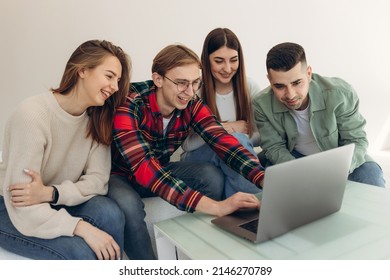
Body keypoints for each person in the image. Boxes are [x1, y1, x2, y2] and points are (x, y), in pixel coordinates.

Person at [108, 44, 265, 260]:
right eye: (182, 83)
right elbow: (145, 168)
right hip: (122, 175)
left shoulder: (191, 103)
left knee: (210, 176)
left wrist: (264, 180)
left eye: (195, 83)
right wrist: (216, 207)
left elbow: (222, 140)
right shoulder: (130, 103)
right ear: (158, 79)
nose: (190, 92)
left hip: (159, 167)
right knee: (129, 207)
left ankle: (203, 252)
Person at [0, 40, 131, 260]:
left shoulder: (97, 119)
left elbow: (98, 181)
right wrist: (80, 227)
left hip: (49, 198)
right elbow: (22, 202)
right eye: (109, 76)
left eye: (118, 80)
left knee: (110, 213)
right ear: (82, 70)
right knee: (80, 251)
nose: (115, 87)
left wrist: (52, 193)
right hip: (10, 207)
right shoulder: (33, 115)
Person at [252, 42, 385, 187]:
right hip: (293, 157)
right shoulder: (261, 104)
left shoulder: (340, 94)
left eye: (297, 83)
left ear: (308, 74)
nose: (290, 94)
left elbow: (357, 140)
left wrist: (338, 170)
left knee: (372, 177)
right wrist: (301, 173)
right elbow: (274, 148)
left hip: (338, 158)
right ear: (269, 81)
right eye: (279, 86)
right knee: (273, 184)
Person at [180, 27, 262, 198]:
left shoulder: (249, 87)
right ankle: (257, 205)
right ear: (206, 60)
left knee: (236, 144)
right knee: (235, 140)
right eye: (219, 61)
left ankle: (235, 211)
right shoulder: (195, 90)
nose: (227, 68)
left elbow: (258, 136)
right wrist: (225, 129)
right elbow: (187, 144)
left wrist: (238, 137)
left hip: (232, 157)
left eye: (233, 60)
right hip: (197, 157)